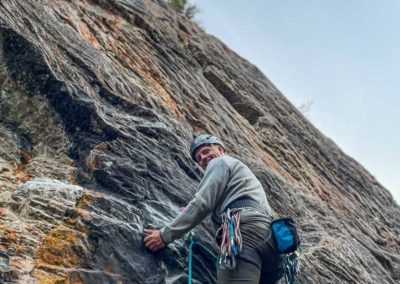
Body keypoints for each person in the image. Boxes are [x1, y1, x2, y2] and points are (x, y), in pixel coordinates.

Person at [144, 134, 284, 283]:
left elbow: (202, 202)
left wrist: (165, 235)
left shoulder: (219, 162)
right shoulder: (245, 179)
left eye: (205, 151)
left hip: (245, 234)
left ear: (220, 149)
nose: (203, 158)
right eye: (198, 158)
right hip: (272, 246)